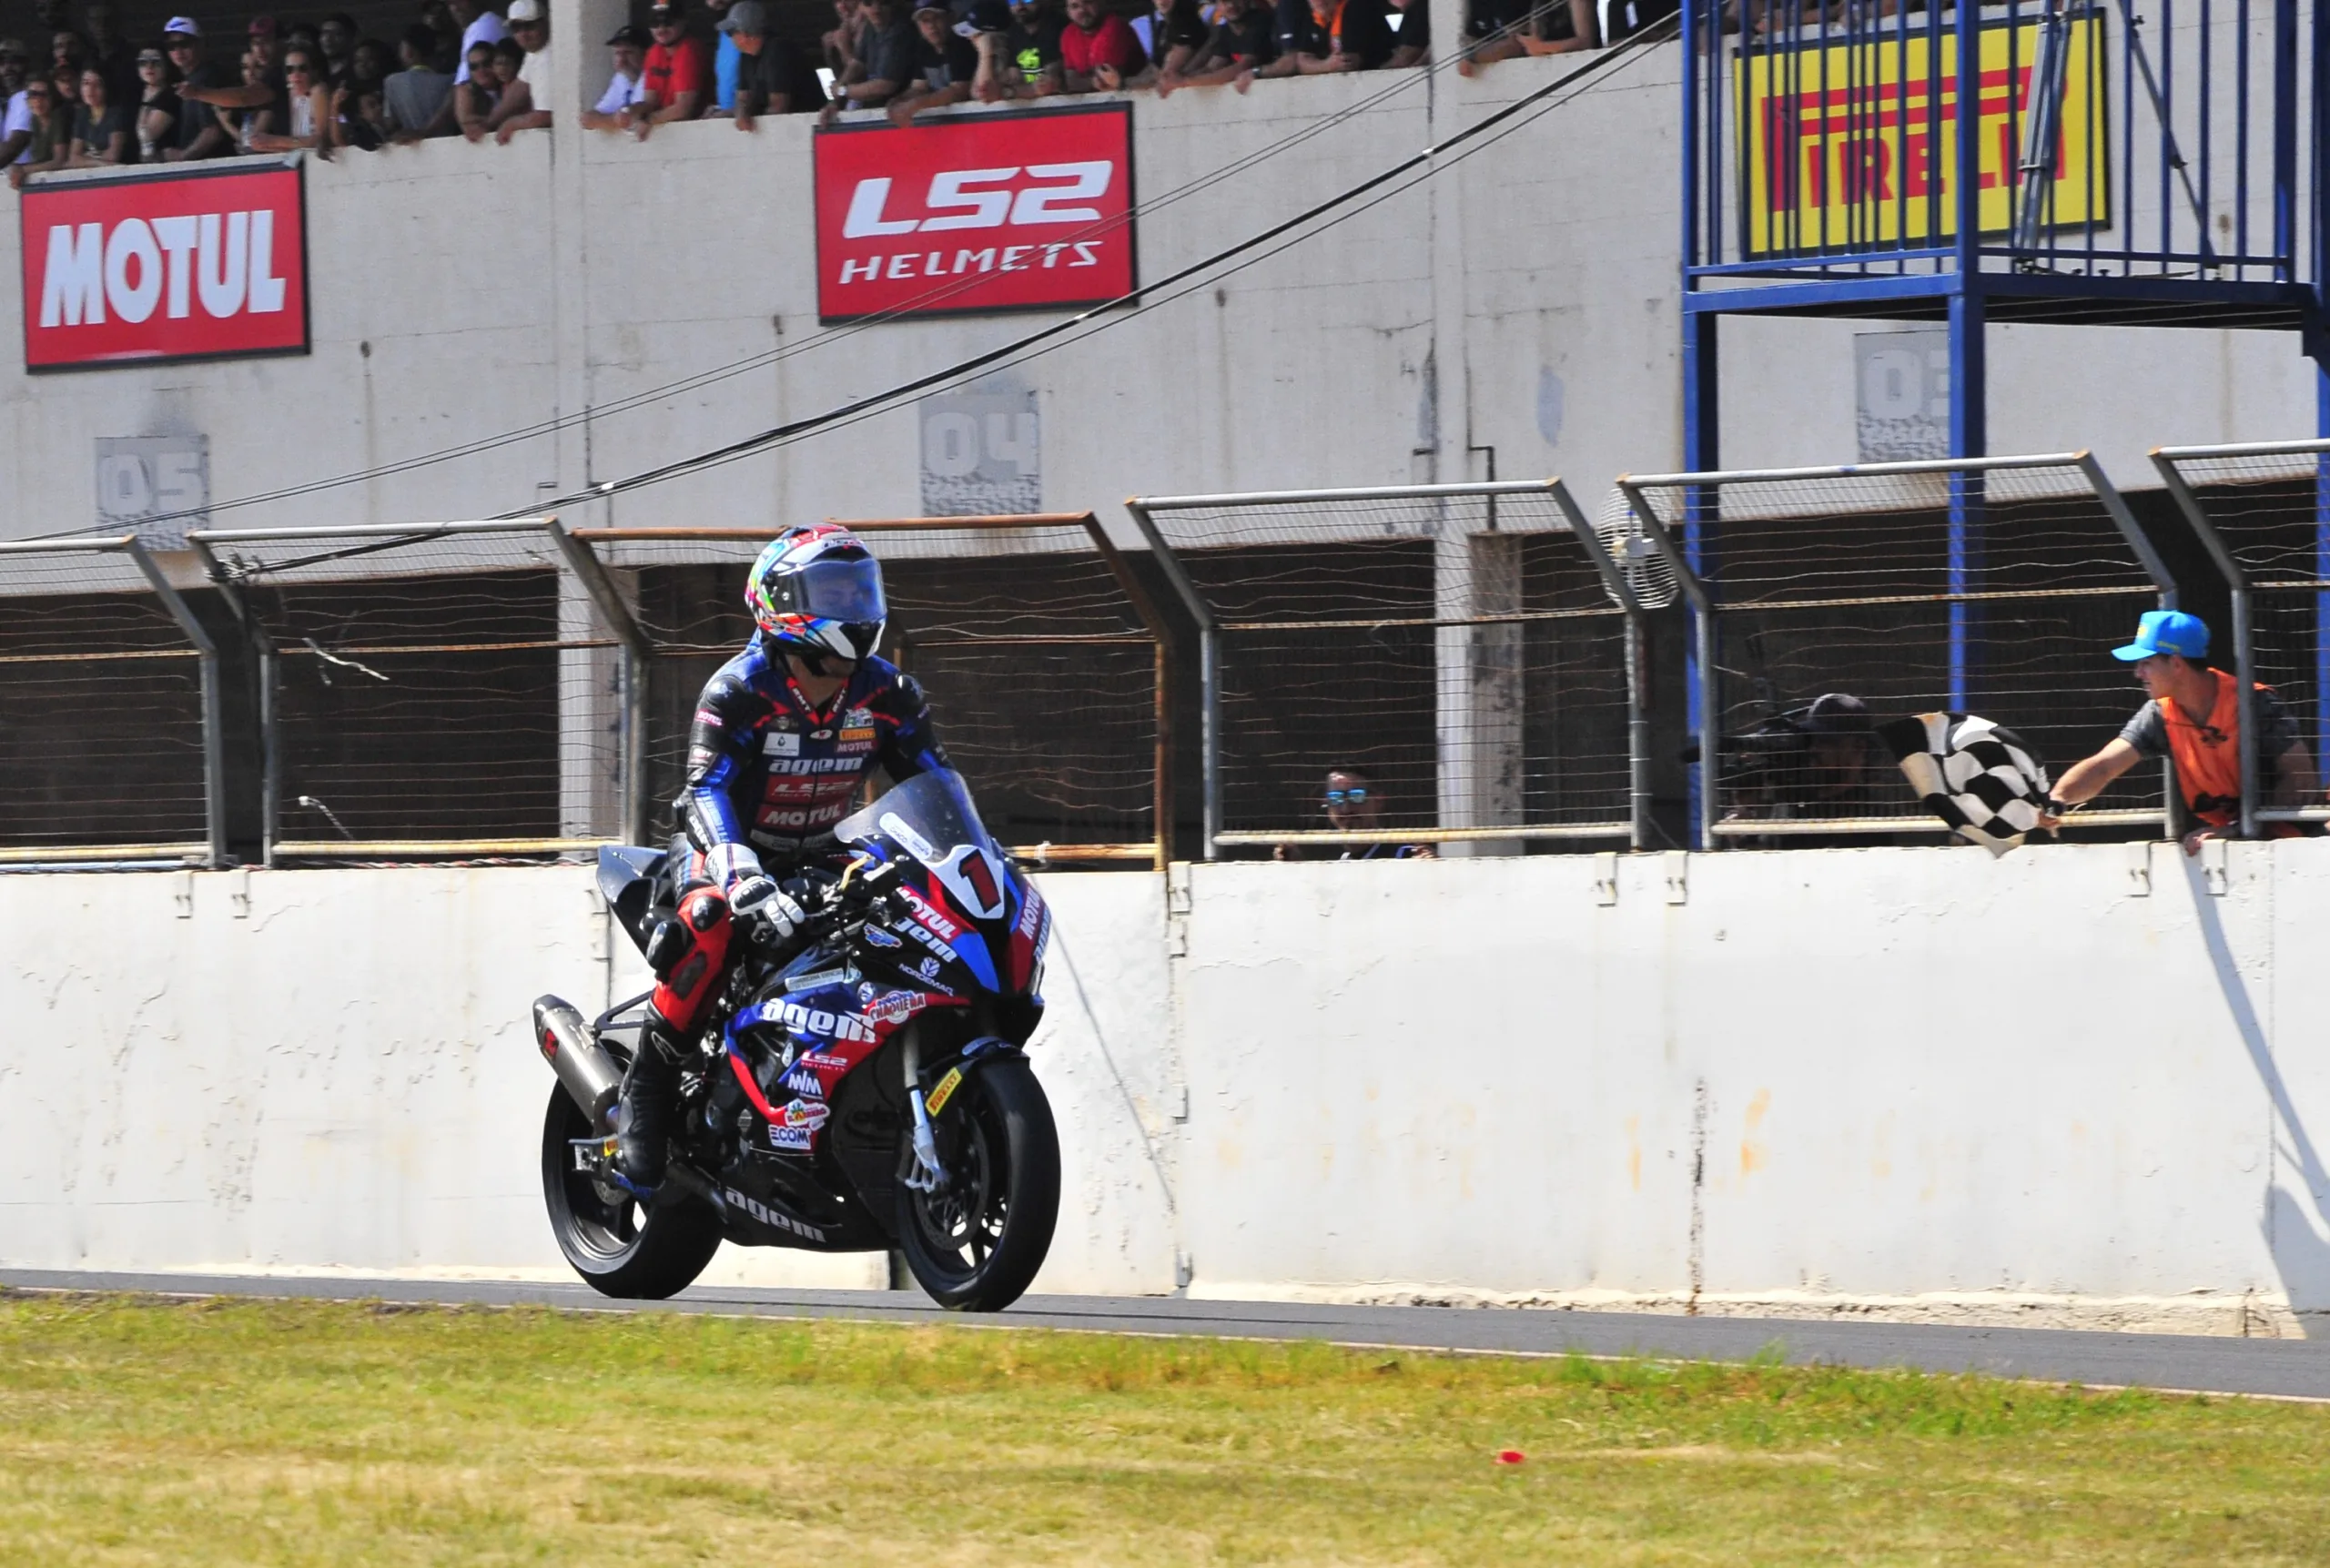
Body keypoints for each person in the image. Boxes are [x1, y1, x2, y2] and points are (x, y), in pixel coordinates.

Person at [613, 525, 952, 1191]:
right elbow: (703, 789)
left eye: (862, 591)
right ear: (780, 602)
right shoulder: (740, 690)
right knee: (709, 918)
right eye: (834, 592)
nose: (854, 608)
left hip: (827, 853)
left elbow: (934, 787)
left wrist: (969, 863)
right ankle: (647, 1085)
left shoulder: (890, 695)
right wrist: (741, 873)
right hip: (724, 849)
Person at [2040, 610, 2320, 855]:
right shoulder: (2160, 712)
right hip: (2234, 843)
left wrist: (2240, 828)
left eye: (2146, 662)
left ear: (2176, 663)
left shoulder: (2253, 702)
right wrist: (2057, 800)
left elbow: (2301, 780)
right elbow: (2104, 766)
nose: (2138, 673)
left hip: (2296, 845)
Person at [1277, 766, 1437, 860]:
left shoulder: (1405, 855)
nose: (1346, 809)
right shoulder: (1344, 862)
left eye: (1356, 796)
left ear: (1378, 800)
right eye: (1336, 798)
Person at [818, 0, 914, 118]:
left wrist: (843, 91)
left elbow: (885, 86)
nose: (876, 9)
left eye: (883, 3)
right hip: (874, 112)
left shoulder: (899, 31)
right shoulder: (870, 27)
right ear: (861, 7)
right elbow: (857, 65)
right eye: (868, 3)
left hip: (899, 113)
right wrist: (834, 102)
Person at [886, 2, 978, 123]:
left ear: (950, 18)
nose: (931, 26)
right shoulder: (923, 47)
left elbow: (958, 91)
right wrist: (899, 101)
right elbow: (919, 87)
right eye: (925, 21)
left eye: (937, 18)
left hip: (974, 120)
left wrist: (916, 104)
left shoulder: (962, 44)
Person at [633, 0, 713, 135]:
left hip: (699, 131)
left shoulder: (689, 50)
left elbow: (683, 110)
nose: (661, 28)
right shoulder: (654, 52)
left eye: (668, 22)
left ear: (683, 21)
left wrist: (648, 120)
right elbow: (650, 101)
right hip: (670, 131)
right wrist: (630, 112)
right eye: (655, 23)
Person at [158, 18, 230, 160]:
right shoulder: (189, 78)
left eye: (184, 44)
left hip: (212, 168)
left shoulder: (206, 78)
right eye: (171, 46)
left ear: (200, 44)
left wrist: (182, 157)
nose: (178, 51)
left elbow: (212, 132)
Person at [490, 0, 552, 141]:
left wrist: (512, 123)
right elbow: (519, 89)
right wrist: (488, 122)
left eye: (529, 26)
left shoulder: (548, 57)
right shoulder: (535, 52)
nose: (523, 34)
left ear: (545, 23)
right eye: (516, 28)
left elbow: (545, 116)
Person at [383, 23, 454, 140]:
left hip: (411, 148)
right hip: (448, 148)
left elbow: (390, 123)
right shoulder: (450, 81)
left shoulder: (392, 82)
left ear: (408, 51)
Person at [582, 23, 649, 129]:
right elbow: (588, 119)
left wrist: (611, 121)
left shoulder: (651, 76)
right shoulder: (621, 78)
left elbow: (639, 115)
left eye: (628, 53)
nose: (622, 60)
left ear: (645, 54)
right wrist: (617, 119)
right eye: (618, 53)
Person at [66, 63, 132, 164]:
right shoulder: (82, 114)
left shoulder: (116, 113)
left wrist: (86, 158)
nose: (90, 89)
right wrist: (99, 161)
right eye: (86, 83)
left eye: (97, 84)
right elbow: (73, 158)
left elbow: (113, 156)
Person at [446, 0, 507, 85]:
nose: (455, 8)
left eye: (459, 1)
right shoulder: (493, 20)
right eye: (450, 3)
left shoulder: (482, 26)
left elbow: (463, 86)